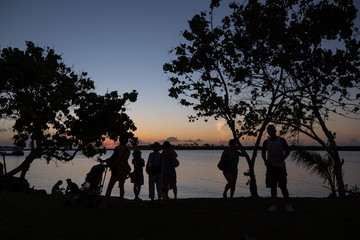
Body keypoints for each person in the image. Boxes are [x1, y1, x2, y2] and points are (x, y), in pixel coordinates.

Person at [262, 125, 294, 213]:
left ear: (275, 131)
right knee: (273, 187)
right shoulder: (266, 142)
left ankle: (288, 204)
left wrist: (283, 157)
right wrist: (265, 161)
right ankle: (274, 205)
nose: (271, 132)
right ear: (268, 132)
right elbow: (263, 152)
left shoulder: (281, 140)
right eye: (269, 131)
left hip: (281, 167)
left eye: (272, 131)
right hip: (271, 167)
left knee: (283, 186)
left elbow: (287, 151)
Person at [101, 134, 131, 209]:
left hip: (117, 170)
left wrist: (105, 161)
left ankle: (105, 204)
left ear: (120, 140)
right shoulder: (128, 150)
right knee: (121, 187)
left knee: (110, 187)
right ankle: (121, 204)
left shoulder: (117, 148)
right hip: (124, 170)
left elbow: (113, 158)